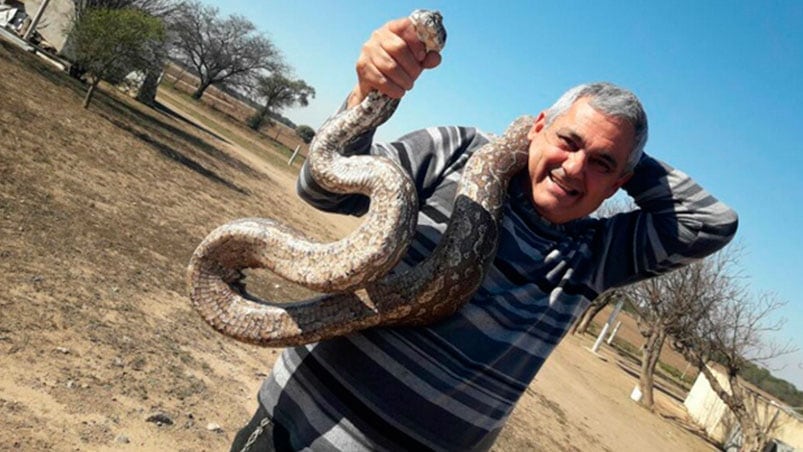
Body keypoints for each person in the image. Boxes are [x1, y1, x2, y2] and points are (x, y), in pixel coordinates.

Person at [230, 15, 738, 452]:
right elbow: (322, 188)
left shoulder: (597, 254)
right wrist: (366, 94)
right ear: (538, 126)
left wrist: (624, 146)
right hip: (290, 429)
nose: (575, 167)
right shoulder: (455, 149)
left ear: (619, 184)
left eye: (601, 164)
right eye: (568, 139)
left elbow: (713, 222)